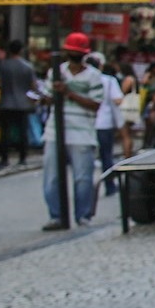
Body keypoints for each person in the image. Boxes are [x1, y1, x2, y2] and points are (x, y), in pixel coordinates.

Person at [41, 32, 104, 229]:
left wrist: (68, 93)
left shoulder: (94, 76)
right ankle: (56, 215)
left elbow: (95, 104)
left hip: (82, 131)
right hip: (55, 130)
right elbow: (47, 97)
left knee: (82, 178)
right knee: (51, 177)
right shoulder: (56, 72)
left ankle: (82, 215)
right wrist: (47, 95)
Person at [0, 40, 38, 167]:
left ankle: (4, 159)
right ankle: (22, 158)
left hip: (6, 102)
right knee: (23, 131)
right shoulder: (28, 66)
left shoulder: (3, 65)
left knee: (5, 132)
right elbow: (33, 86)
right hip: (23, 103)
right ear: (21, 50)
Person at [87, 52, 124, 196]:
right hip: (104, 122)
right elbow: (117, 100)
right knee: (106, 156)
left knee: (88, 158)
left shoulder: (86, 80)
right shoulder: (108, 80)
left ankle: (89, 188)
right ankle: (109, 185)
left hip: (89, 123)